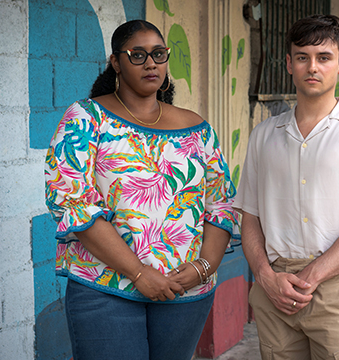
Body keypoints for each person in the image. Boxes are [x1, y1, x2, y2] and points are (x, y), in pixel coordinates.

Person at [44, 20, 240, 360]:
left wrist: (203, 267)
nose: (151, 63)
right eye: (138, 55)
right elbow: (74, 204)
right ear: (116, 62)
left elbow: (221, 204)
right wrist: (138, 272)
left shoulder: (197, 128)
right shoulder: (86, 119)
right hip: (105, 287)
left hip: (185, 291)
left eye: (159, 54)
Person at [233, 14, 339, 359]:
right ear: (290, 64)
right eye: (302, 57)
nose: (313, 67)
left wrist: (310, 276)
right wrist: (265, 276)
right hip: (274, 287)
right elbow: (250, 216)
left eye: (324, 58)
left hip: (338, 283)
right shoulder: (264, 135)